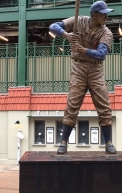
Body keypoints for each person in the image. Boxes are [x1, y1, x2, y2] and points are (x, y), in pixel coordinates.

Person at [49, 1, 117, 154]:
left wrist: (82, 49)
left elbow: (101, 55)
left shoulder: (106, 33)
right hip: (78, 67)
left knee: (104, 106)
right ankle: (64, 142)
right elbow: (53, 27)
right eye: (103, 14)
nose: (106, 16)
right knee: (72, 104)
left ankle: (109, 143)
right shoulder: (79, 20)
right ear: (94, 15)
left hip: (95, 69)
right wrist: (67, 35)